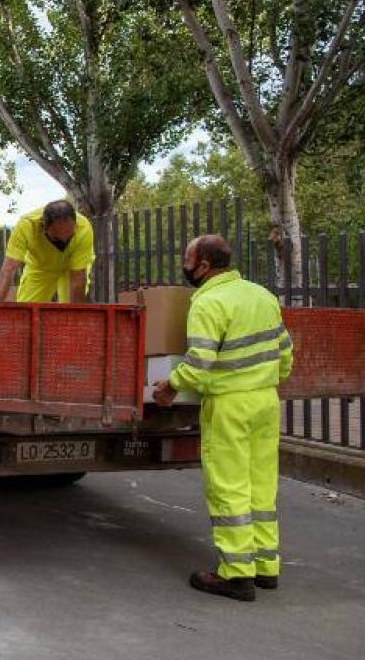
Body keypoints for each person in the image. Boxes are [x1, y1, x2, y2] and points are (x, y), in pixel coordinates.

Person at [153, 235, 293, 602]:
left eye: (187, 258)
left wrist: (169, 385)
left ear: (203, 265)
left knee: (228, 486)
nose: (183, 264)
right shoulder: (261, 295)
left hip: (229, 405)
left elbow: (198, 365)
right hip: (265, 401)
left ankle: (235, 574)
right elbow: (285, 352)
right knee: (261, 485)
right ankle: (266, 567)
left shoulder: (208, 303)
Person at [0, 200, 94, 303]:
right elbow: (8, 270)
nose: (64, 241)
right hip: (40, 267)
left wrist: (75, 318)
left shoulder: (84, 228)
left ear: (75, 224)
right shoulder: (26, 226)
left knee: (69, 312)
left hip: (71, 268)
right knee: (27, 311)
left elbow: (78, 280)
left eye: (69, 237)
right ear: (43, 227)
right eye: (57, 239)